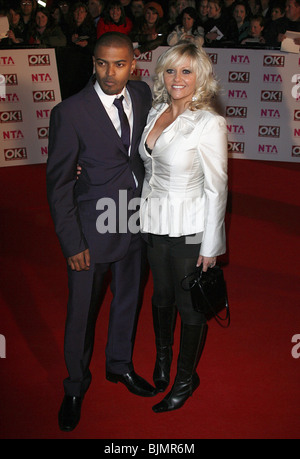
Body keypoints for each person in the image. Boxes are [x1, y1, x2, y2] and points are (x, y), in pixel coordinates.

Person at [46, 32, 155, 432]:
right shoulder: (70, 112)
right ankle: (74, 386)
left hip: (135, 222)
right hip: (91, 232)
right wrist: (72, 242)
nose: (111, 73)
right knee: (80, 314)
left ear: (133, 64)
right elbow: (57, 184)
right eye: (103, 63)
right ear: (93, 62)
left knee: (128, 300)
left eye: (120, 64)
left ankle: (119, 365)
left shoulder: (142, 94)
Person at [138, 42, 228, 412]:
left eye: (187, 71)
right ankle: (163, 359)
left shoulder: (209, 123)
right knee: (161, 297)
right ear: (162, 74)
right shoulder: (156, 110)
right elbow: (147, 167)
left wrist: (211, 245)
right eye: (172, 70)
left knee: (189, 308)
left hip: (191, 229)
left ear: (200, 77)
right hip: (155, 221)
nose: (178, 79)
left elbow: (217, 186)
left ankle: (185, 378)